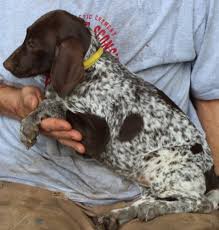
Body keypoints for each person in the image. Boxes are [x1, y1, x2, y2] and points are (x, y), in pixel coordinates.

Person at [0, 0, 219, 229]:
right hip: (31, 182)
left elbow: (212, 97)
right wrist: (15, 102)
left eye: (32, 45)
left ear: (66, 58)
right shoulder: (68, 66)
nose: (9, 62)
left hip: (168, 185)